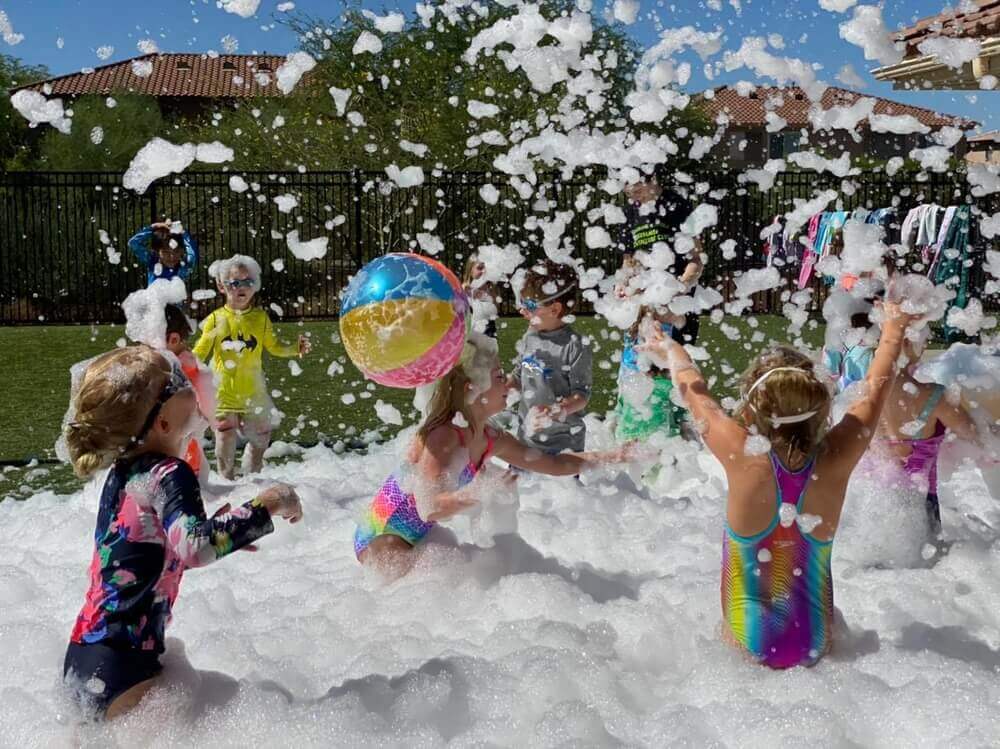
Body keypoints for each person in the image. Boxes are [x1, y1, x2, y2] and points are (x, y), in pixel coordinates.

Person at [638, 302, 914, 668]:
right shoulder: (838, 455)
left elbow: (694, 392)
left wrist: (671, 349)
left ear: (750, 409)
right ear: (820, 405)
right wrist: (893, 330)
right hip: (815, 638)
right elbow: (874, 391)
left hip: (748, 641)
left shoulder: (739, 451)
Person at [61, 345, 303, 720]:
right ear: (163, 423)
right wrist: (270, 502)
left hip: (84, 655)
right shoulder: (170, 474)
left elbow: (138, 560)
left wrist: (227, 528)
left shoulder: (123, 474)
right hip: (129, 668)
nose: (187, 383)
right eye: (176, 381)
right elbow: (196, 548)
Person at [354, 334, 630, 579]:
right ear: (471, 390)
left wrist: (614, 456)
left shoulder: (489, 438)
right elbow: (430, 507)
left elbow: (555, 464)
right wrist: (482, 490)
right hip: (381, 540)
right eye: (499, 377)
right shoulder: (443, 437)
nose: (509, 385)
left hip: (419, 538)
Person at [192, 255, 311, 480]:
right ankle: (226, 481)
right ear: (221, 286)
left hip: (253, 390)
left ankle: (251, 477)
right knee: (225, 436)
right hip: (223, 388)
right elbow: (199, 353)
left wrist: (295, 349)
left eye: (247, 282)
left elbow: (273, 347)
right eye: (234, 283)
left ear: (255, 285)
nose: (241, 288)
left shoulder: (260, 318)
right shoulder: (215, 319)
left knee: (261, 438)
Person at [510, 259, 592, 454]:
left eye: (529, 304)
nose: (521, 310)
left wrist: (556, 410)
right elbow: (517, 377)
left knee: (560, 486)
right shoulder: (530, 335)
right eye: (521, 302)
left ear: (554, 309)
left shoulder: (575, 345)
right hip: (526, 440)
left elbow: (581, 396)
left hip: (563, 444)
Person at [617, 170, 704, 345]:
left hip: (676, 308)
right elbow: (629, 260)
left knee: (674, 367)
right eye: (630, 194)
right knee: (636, 367)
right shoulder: (629, 213)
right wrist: (623, 283)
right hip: (642, 310)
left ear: (653, 179)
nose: (636, 198)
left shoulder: (679, 206)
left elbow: (697, 258)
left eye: (639, 191)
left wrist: (680, 287)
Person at [163, 304, 213, 484]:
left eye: (148, 344)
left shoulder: (181, 367)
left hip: (182, 458)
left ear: (173, 339)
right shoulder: (183, 360)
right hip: (185, 455)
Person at [128, 220, 198, 287]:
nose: (171, 256)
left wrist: (182, 232)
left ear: (182, 251)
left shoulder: (183, 269)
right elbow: (133, 243)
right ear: (157, 252)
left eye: (176, 251)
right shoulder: (152, 262)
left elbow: (193, 253)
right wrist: (155, 226)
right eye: (165, 252)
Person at [463, 254, 499, 339]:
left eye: (485, 269)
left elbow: (495, 310)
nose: (483, 271)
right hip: (475, 329)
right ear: (470, 270)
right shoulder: (466, 288)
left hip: (490, 329)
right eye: (479, 268)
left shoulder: (489, 288)